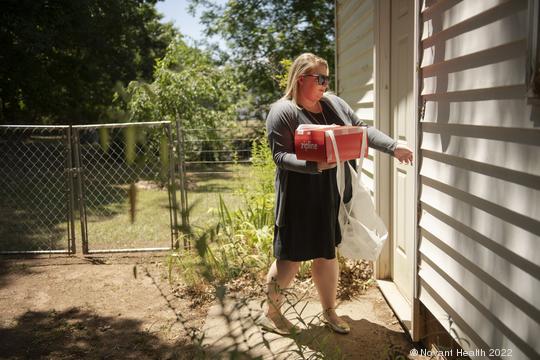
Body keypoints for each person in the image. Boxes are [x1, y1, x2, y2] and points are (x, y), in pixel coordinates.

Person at [259, 53, 413, 335]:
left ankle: (329, 311)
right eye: (320, 78)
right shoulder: (283, 111)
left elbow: (361, 132)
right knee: (290, 259)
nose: (324, 85)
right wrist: (313, 165)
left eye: (327, 78)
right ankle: (270, 314)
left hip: (330, 194)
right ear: (300, 78)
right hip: (297, 198)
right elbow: (279, 156)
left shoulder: (334, 105)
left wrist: (393, 147)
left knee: (326, 254)